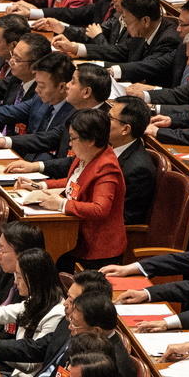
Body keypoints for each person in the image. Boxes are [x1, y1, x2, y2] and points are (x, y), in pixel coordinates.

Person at [29, 108, 127, 269]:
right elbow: (74, 183)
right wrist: (40, 185)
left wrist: (61, 205)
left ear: (90, 140)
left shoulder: (107, 168)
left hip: (96, 250)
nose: (69, 143)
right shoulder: (86, 156)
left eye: (73, 138)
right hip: (74, 236)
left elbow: (100, 209)